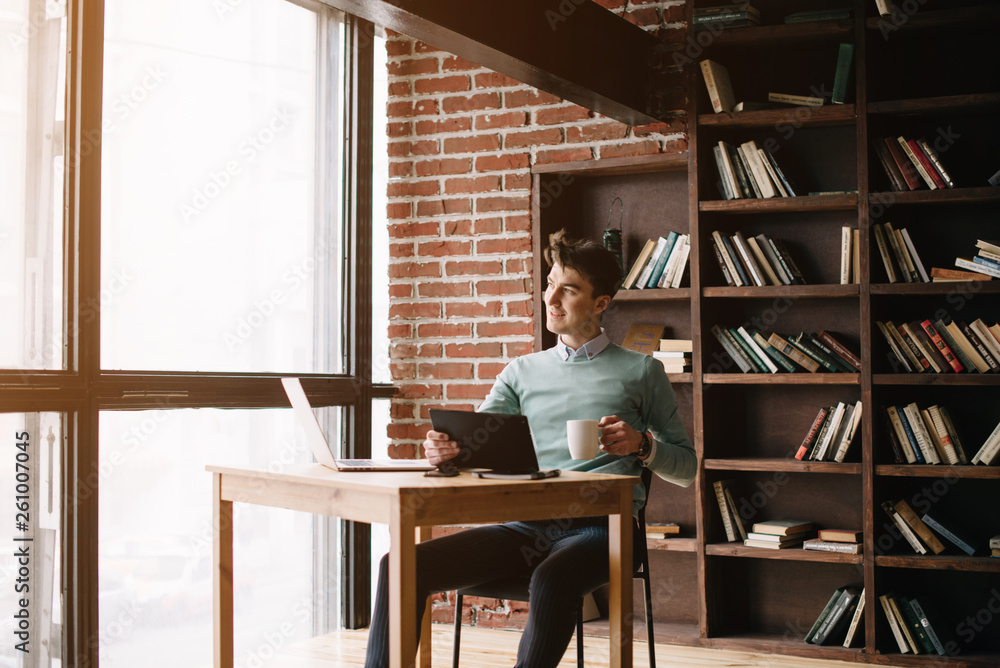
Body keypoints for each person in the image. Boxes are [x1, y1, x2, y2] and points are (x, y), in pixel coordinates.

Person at [365, 229, 695, 668]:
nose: (551, 298)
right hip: (525, 526)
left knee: (552, 579)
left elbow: (687, 469)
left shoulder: (641, 371)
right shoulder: (521, 371)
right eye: (549, 284)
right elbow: (476, 445)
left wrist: (643, 445)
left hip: (605, 528)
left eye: (568, 290)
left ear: (601, 303)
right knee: (400, 567)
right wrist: (447, 452)